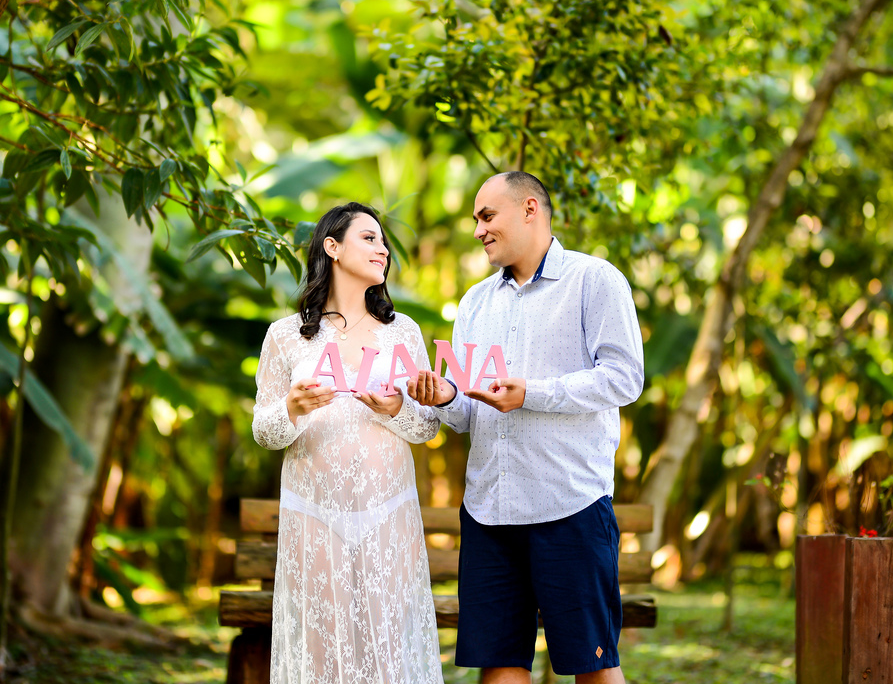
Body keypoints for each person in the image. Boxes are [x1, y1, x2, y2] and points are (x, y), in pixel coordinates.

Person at [408, 172, 645, 684]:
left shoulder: (595, 280)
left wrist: (530, 395)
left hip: (570, 507)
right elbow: (469, 415)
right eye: (476, 219)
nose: (477, 231)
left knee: (594, 666)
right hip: (489, 512)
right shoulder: (474, 303)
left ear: (530, 209)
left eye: (487, 216)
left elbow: (625, 379)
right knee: (498, 666)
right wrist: (447, 395)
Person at [251, 202, 445, 684]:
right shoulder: (285, 337)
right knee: (322, 649)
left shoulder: (404, 333)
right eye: (370, 238)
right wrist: (294, 408)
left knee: (387, 646)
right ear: (332, 248)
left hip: (389, 512)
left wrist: (395, 409)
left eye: (384, 242)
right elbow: (264, 432)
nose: (383, 250)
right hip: (313, 514)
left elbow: (427, 428)